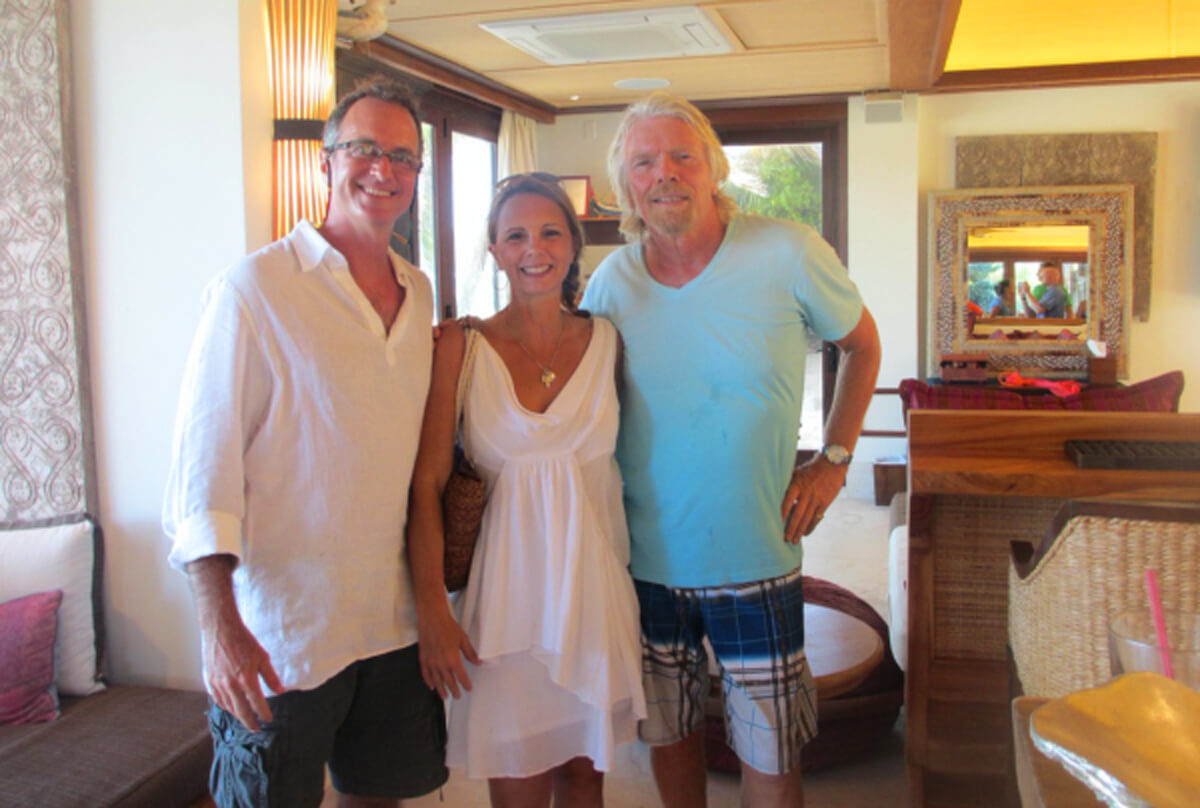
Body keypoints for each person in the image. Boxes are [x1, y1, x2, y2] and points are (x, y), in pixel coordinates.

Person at [580, 92, 881, 808]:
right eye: (644, 161)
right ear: (626, 182)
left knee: (772, 757)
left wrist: (834, 461)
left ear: (713, 167)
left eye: (682, 155)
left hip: (757, 556)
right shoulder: (609, 285)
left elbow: (862, 345)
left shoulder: (788, 251)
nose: (665, 174)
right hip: (643, 564)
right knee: (669, 740)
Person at [162, 78, 447, 807]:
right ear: (325, 162)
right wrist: (217, 626)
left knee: (378, 797)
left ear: (416, 174)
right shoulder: (254, 290)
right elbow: (203, 472)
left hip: (389, 624)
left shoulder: (419, 299)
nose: (382, 169)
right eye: (362, 149)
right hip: (282, 637)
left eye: (401, 156)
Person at [406, 173, 646, 807]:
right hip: (504, 609)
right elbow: (426, 484)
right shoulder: (460, 346)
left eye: (549, 232)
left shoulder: (607, 341)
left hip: (593, 597)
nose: (533, 248)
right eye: (515, 235)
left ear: (572, 244)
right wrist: (432, 607)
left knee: (583, 784)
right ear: (495, 250)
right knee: (517, 787)